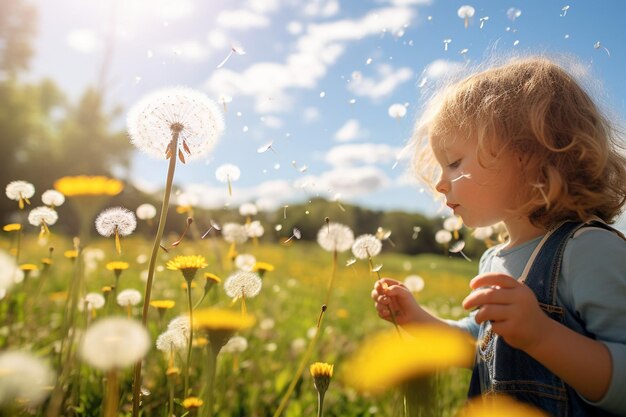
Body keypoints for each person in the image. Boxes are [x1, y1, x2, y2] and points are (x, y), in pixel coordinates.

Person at [371, 56, 626, 416]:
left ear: (528, 153)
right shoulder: (494, 260)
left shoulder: (588, 250)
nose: (441, 183)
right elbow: (482, 348)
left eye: (455, 163)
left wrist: (542, 336)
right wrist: (418, 320)